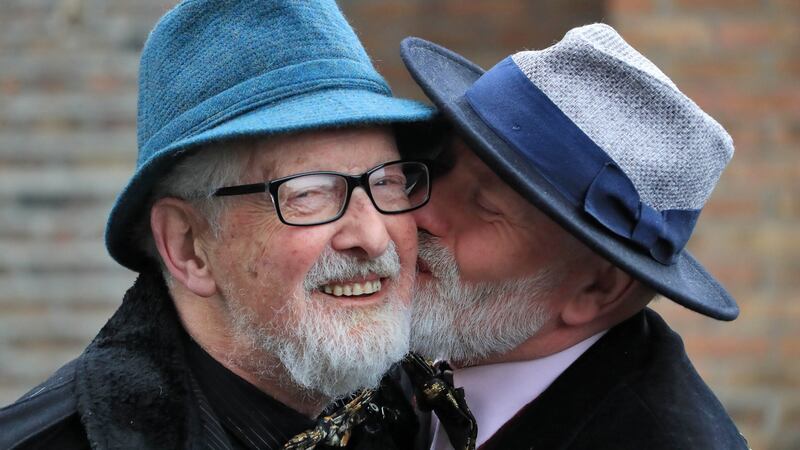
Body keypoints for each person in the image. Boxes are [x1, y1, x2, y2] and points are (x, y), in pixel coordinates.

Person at [0, 1, 439, 448]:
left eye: (388, 183)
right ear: (188, 246)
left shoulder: (438, 419)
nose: (372, 236)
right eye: (308, 193)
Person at [401, 24, 750, 449]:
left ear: (597, 288)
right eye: (436, 168)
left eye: (486, 207)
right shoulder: (404, 349)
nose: (416, 210)